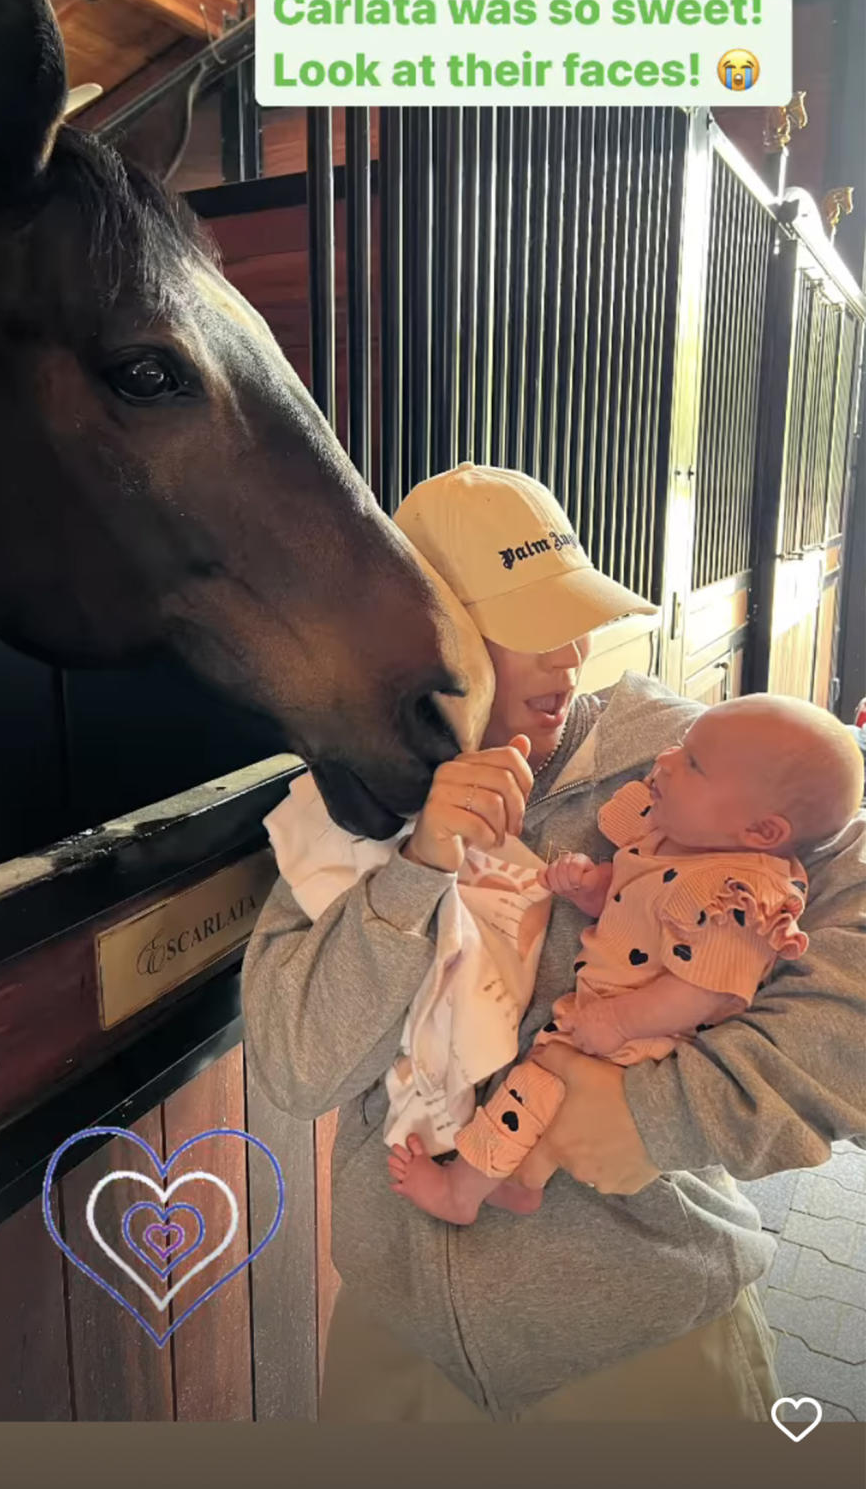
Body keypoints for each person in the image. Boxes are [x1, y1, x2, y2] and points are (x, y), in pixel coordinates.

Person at [240, 463, 866, 1422]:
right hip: (396, 1350)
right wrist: (414, 867)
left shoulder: (701, 764)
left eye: (572, 615)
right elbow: (295, 1067)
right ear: (419, 627)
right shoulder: (348, 810)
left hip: (646, 1350)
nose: (570, 656)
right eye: (524, 630)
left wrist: (664, 1113)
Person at [387, 694, 863, 1224]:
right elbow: (632, 901)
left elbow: (704, 990)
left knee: (537, 1083)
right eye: (681, 746)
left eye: (693, 764)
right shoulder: (674, 838)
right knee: (546, 1093)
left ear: (762, 832)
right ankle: (522, 1177)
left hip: (643, 1039)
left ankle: (463, 1190)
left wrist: (617, 1021)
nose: (664, 759)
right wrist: (590, 886)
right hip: (606, 1016)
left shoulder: (741, 896)